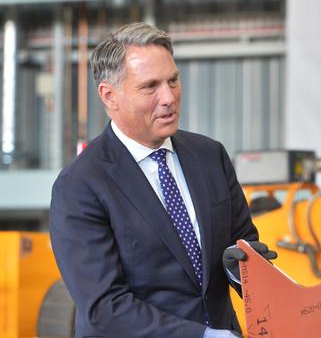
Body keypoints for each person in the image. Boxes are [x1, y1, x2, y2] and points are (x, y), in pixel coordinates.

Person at [49, 22, 276, 338]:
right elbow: (104, 308)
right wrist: (200, 336)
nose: (168, 97)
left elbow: (245, 249)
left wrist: (241, 271)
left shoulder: (210, 156)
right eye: (150, 86)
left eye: (173, 80)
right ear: (109, 95)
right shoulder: (80, 186)